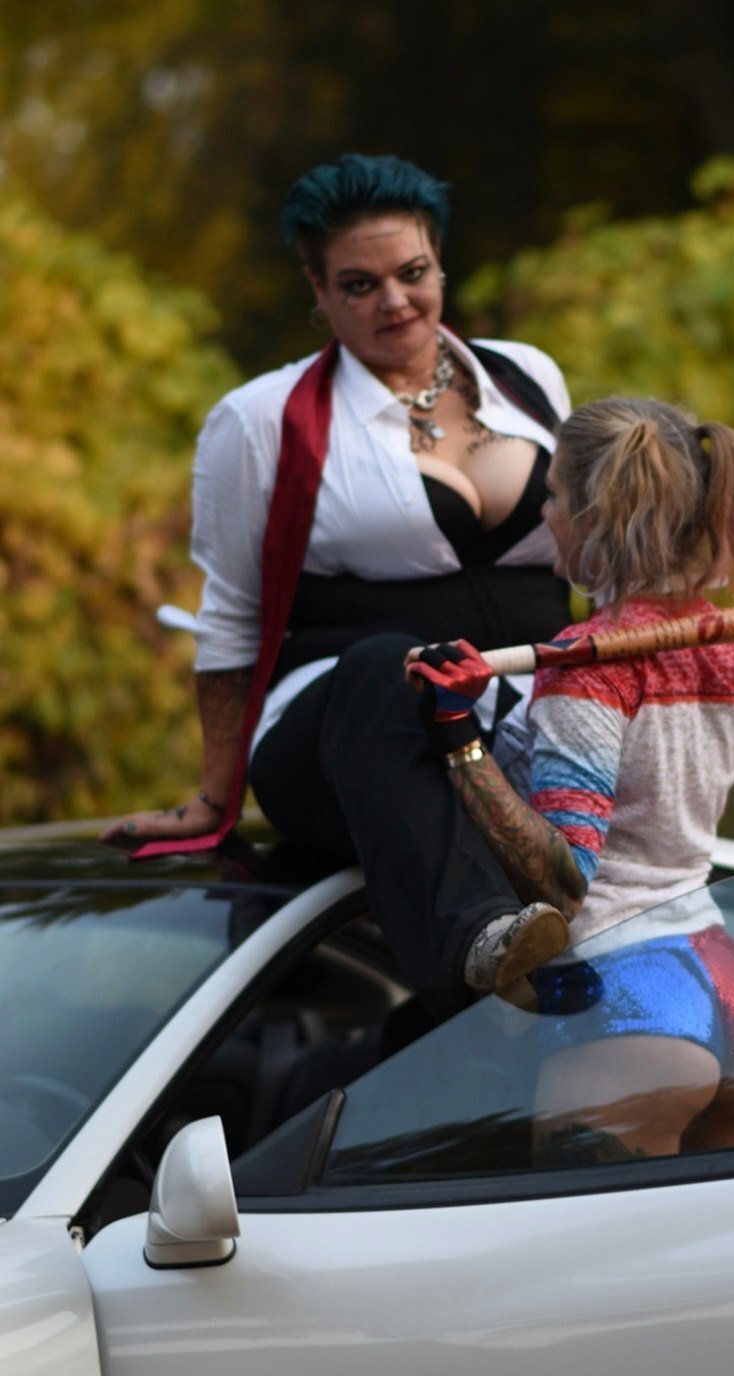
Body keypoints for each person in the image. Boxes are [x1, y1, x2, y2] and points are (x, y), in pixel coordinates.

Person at [343, 396, 734, 1155]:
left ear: (595, 516)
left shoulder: (587, 666)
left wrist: (459, 739)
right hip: (733, 986)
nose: (543, 513)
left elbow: (561, 877)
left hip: (626, 992)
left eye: (553, 496)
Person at [102, 152, 572, 857]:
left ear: (439, 261)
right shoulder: (261, 418)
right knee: (391, 666)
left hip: (535, 718)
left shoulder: (526, 374)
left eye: (413, 273)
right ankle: (480, 919)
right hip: (346, 737)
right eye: (359, 285)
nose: (395, 301)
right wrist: (214, 802)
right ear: (317, 289)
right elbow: (231, 613)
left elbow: (598, 548)